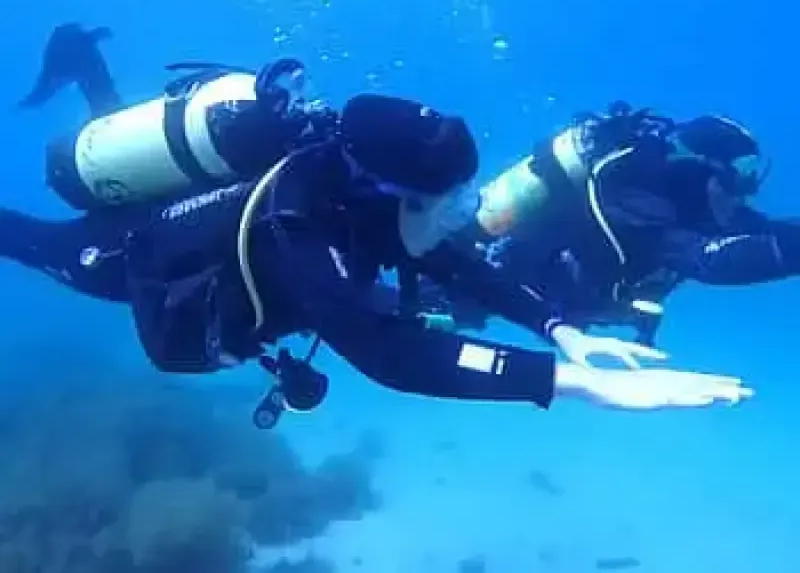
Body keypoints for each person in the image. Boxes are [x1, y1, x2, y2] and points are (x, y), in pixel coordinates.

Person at [7, 26, 752, 424]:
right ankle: (79, 85)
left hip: (201, 214)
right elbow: (392, 356)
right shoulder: (299, 229)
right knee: (35, 242)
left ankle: (82, 65)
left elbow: (464, 266)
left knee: (110, 193)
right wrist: (574, 385)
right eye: (450, 202)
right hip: (134, 257)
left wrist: (561, 328)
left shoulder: (371, 190)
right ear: (390, 190)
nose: (464, 216)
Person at [419, 101, 800, 348]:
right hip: (501, 283)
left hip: (542, 301)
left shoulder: (698, 204)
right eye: (737, 175)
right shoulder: (634, 197)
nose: (745, 192)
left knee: (446, 315)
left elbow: (761, 229)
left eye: (751, 175)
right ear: (700, 169)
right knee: (417, 311)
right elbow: (708, 261)